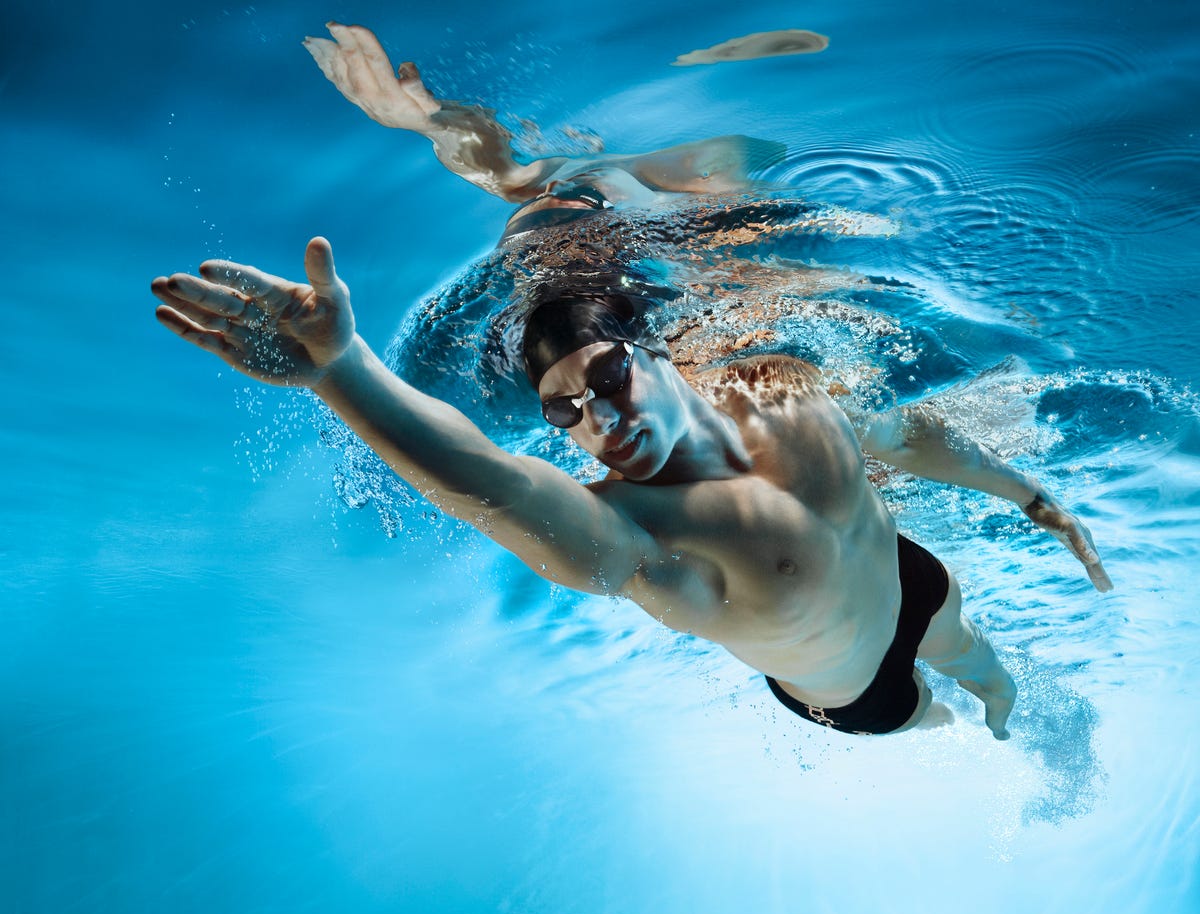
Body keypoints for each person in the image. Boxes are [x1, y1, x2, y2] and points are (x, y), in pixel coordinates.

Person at [151, 23, 1112, 740]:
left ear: (655, 351)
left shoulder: (774, 384)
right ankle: (999, 746)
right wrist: (344, 372)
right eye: (562, 410)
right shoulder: (651, 541)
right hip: (853, 688)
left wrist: (1031, 495)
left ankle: (1009, 715)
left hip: (914, 581)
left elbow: (900, 437)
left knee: (988, 677)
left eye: (606, 375)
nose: (594, 417)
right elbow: (488, 483)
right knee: (938, 719)